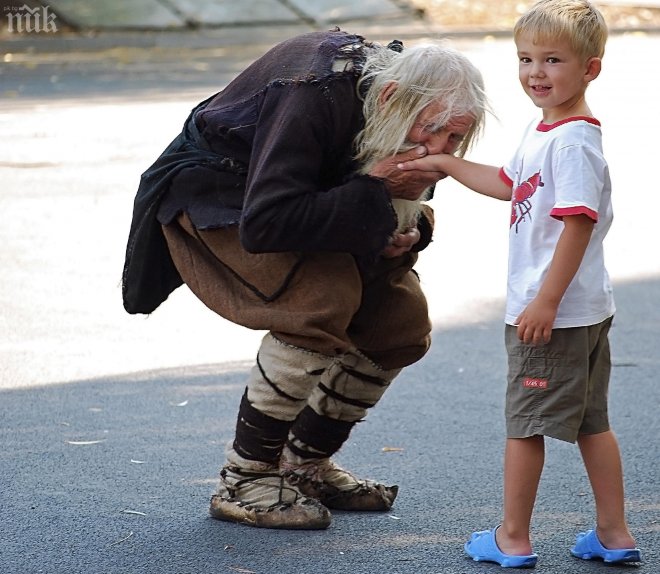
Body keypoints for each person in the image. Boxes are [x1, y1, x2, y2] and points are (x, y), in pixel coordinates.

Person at [121, 29, 489, 530]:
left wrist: (409, 228)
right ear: (390, 98)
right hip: (223, 196)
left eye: (454, 138)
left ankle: (304, 467)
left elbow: (386, 191)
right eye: (433, 131)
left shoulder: (399, 105)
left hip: (306, 200)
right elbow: (268, 221)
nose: (439, 151)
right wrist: (374, 197)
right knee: (319, 300)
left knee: (399, 323)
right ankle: (245, 479)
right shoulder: (312, 90)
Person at [399, 0, 641, 567]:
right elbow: (510, 183)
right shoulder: (546, 127)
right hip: (579, 310)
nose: (535, 71)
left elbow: (578, 223)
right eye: (526, 58)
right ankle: (613, 533)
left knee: (524, 426)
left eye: (553, 60)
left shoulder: (573, 142)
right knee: (590, 423)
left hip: (553, 313)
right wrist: (445, 166)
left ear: (590, 69)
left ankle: (513, 537)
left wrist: (545, 301)